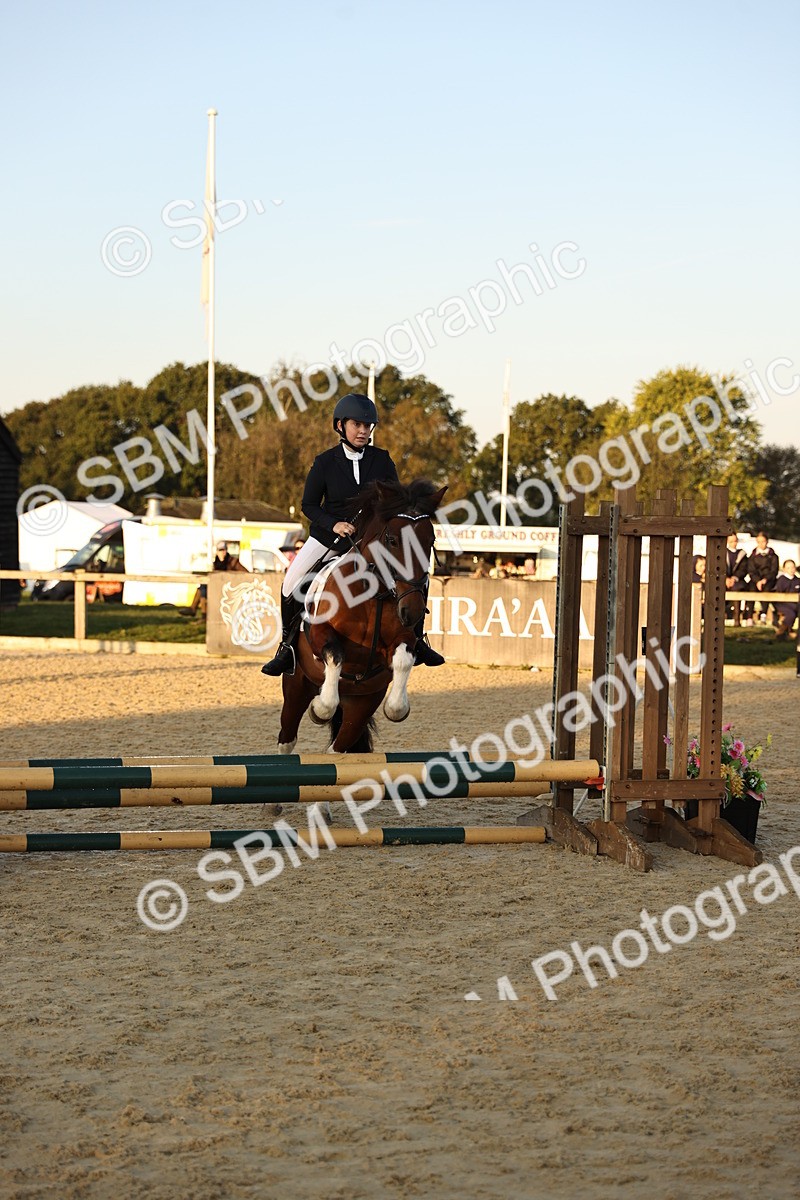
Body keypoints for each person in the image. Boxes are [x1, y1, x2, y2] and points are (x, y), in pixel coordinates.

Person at [261, 393, 445, 675]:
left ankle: (418, 640)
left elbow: (395, 502)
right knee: (291, 582)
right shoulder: (324, 462)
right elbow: (309, 505)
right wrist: (333, 524)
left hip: (372, 541)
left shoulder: (382, 460)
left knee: (418, 577)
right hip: (330, 538)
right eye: (357, 425)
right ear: (340, 426)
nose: (363, 431)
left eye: (368, 426)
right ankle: (287, 648)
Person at [190, 541, 246, 617]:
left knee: (203, 588)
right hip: (218, 586)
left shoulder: (233, 561)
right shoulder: (216, 563)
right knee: (203, 587)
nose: (223, 552)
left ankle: (197, 611)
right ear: (217, 552)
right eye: (220, 550)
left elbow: (245, 573)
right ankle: (197, 611)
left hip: (229, 588)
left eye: (224, 550)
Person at [743, 531, 779, 625]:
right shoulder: (753, 556)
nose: (761, 544)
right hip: (755, 580)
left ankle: (763, 615)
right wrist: (757, 581)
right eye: (759, 542)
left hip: (768, 580)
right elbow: (751, 570)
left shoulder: (773, 556)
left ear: (767, 541)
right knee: (751, 591)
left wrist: (765, 579)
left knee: (766, 590)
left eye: (763, 541)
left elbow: (774, 571)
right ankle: (749, 617)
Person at [725, 532, 749, 623]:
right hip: (724, 580)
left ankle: (737, 618)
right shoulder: (723, 553)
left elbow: (743, 569)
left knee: (737, 588)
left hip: (738, 580)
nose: (734, 543)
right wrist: (726, 578)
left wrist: (734, 578)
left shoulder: (742, 554)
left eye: (735, 541)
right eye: (731, 541)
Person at [774, 560, 800, 640]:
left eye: (792, 567)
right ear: (784, 569)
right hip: (783, 604)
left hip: (795, 604)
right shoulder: (781, 580)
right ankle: (781, 632)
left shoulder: (798, 580)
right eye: (788, 568)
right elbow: (778, 594)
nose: (791, 569)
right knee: (791, 614)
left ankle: (789, 631)